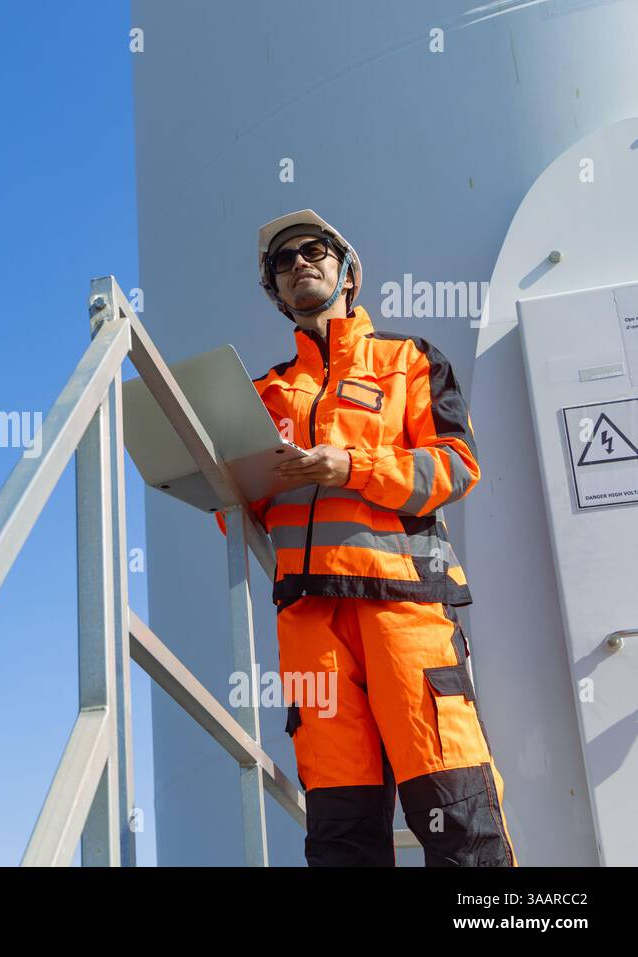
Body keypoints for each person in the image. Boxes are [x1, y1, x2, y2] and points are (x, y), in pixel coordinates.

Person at [216, 209, 517, 866]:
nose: (298, 263)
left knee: (457, 814)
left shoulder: (408, 360)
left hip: (405, 610)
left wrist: (350, 466)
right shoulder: (264, 394)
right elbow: (236, 511)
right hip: (311, 626)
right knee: (339, 835)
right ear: (274, 290)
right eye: (282, 260)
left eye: (313, 250)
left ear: (347, 270)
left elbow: (456, 465)